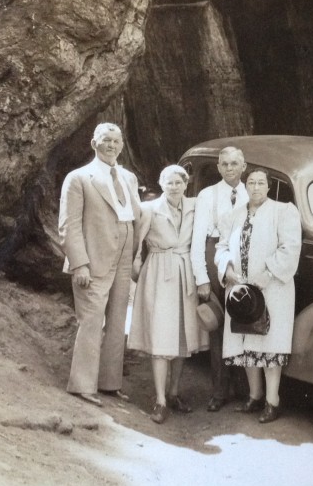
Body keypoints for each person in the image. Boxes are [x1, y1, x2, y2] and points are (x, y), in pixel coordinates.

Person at [58, 122, 142, 407]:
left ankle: (110, 383)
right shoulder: (79, 178)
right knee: (92, 319)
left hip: (123, 252)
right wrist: (79, 263)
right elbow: (69, 225)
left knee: (118, 320)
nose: (112, 146)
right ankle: (82, 385)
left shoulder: (129, 178)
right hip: (94, 256)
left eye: (116, 141)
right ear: (94, 143)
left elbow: (138, 215)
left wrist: (136, 253)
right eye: (106, 140)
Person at [215, 168, 302, 424]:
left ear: (268, 186)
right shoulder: (234, 215)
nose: (255, 187)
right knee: (245, 340)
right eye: (251, 182)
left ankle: (272, 401)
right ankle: (254, 396)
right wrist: (227, 267)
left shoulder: (283, 211)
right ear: (246, 186)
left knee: (268, 343)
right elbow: (221, 246)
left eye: (260, 183)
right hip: (241, 289)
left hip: (272, 288)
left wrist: (269, 272)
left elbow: (290, 247)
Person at [128, 165, 207, 424]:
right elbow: (137, 241)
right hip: (160, 271)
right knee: (162, 336)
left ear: (186, 184)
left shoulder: (196, 206)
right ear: (161, 184)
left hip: (185, 272)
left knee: (183, 335)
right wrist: (136, 265)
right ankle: (160, 399)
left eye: (178, 182)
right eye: (168, 182)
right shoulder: (150, 208)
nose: (174, 186)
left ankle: (174, 393)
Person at [190, 146, 249, 412]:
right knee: (219, 328)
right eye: (224, 164)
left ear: (243, 166)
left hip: (245, 257)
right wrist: (202, 279)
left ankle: (246, 390)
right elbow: (197, 241)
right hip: (215, 256)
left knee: (245, 323)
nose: (229, 168)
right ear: (218, 168)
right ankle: (219, 391)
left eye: (234, 163)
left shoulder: (253, 191)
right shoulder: (208, 195)